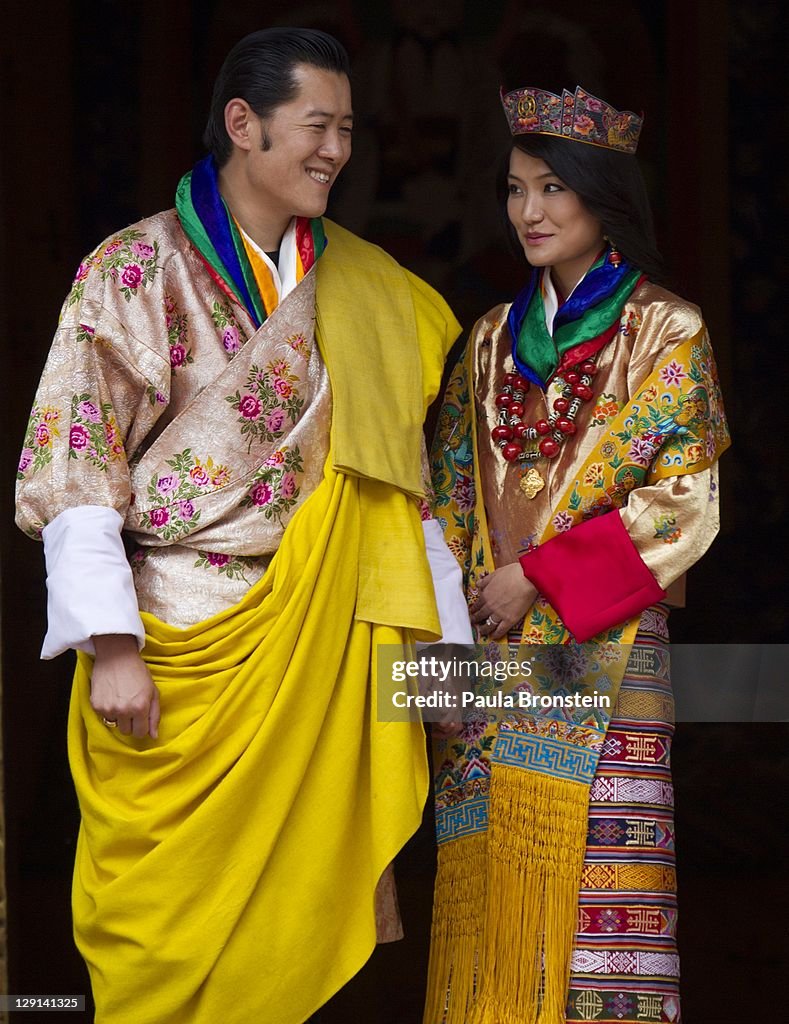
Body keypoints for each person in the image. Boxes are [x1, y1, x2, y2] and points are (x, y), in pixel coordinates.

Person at [15, 27, 471, 1024]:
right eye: (318, 125)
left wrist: (447, 657)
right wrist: (113, 644)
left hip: (319, 651)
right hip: (174, 650)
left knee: (299, 934)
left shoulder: (373, 292)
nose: (336, 151)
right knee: (158, 935)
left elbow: (402, 494)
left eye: (347, 129)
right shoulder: (132, 268)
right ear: (243, 125)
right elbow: (76, 462)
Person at [423, 85, 730, 1024]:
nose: (530, 212)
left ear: (603, 198)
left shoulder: (667, 331)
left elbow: (683, 504)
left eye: (554, 188)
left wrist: (538, 578)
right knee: (488, 916)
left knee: (604, 908)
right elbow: (444, 499)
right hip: (488, 654)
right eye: (516, 189)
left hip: (607, 646)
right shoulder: (484, 342)